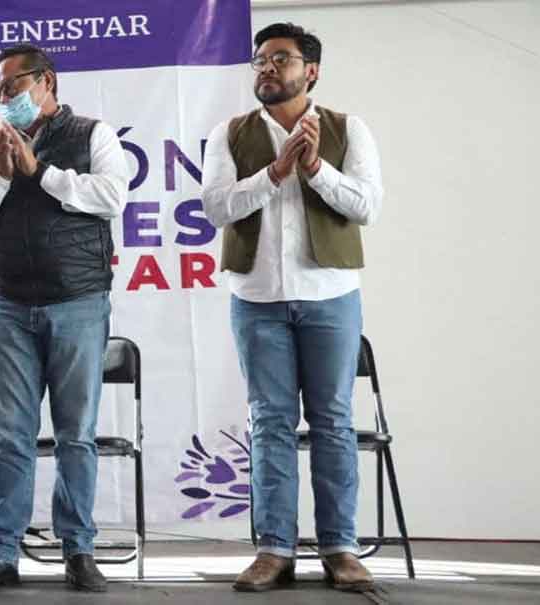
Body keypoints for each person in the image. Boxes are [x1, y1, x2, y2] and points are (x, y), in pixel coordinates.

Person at [200, 22, 383, 593]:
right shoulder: (228, 134)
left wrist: (314, 170)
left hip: (330, 295)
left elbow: (367, 206)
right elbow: (216, 207)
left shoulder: (349, 129)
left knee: (331, 422)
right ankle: (273, 549)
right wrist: (275, 172)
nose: (267, 69)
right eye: (260, 61)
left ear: (312, 70)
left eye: (280, 59)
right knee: (270, 422)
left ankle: (340, 548)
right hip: (257, 298)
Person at [0, 44, 129, 593]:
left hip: (77, 301)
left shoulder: (94, 134)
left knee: (76, 434)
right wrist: (2, 175)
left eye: (11, 87)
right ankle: (1, 552)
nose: (4, 99)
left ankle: (78, 550)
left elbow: (112, 196)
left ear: (46, 81)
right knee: (11, 435)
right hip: (10, 303)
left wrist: (41, 171)